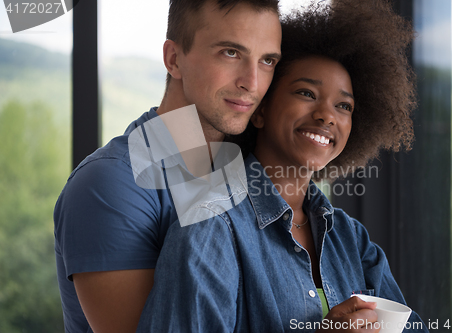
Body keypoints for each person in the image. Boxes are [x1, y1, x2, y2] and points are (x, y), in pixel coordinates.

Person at [136, 0, 429, 332]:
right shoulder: (210, 229)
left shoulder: (350, 238)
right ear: (259, 110)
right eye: (306, 93)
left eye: (344, 105)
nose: (327, 116)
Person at [53, 0, 282, 332]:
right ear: (174, 60)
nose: (253, 82)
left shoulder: (248, 171)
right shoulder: (110, 186)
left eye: (267, 60)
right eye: (231, 53)